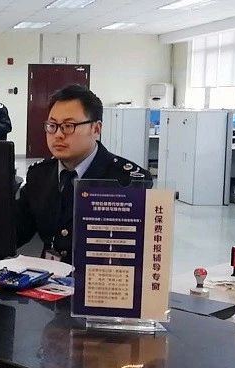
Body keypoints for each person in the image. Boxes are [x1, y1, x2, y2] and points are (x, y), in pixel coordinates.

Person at [16, 84, 151, 264]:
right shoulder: (40, 175)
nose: (58, 134)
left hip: (102, 278)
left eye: (68, 126)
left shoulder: (127, 181)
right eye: (52, 126)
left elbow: (136, 252)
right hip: (48, 276)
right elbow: (16, 231)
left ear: (96, 129)